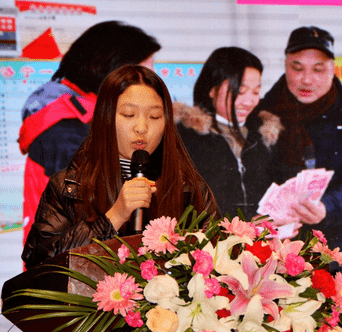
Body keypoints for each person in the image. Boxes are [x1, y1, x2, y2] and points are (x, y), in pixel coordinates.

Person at [22, 65, 218, 271]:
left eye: (154, 117)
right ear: (105, 118)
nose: (141, 127)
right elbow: (40, 264)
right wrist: (113, 217)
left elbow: (216, 262)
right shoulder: (68, 186)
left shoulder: (189, 188)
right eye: (128, 114)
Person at [257, 26, 342, 278]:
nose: (306, 80)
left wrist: (328, 207)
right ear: (285, 66)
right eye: (297, 68)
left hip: (334, 250)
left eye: (318, 69)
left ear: (332, 69)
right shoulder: (261, 116)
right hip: (272, 251)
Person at [18, 21, 161, 245]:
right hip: (71, 269)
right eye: (143, 68)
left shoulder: (87, 116)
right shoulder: (67, 133)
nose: (153, 76)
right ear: (108, 68)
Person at [175, 47, 283, 220]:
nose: (249, 101)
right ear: (212, 89)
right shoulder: (186, 137)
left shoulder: (265, 136)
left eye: (256, 92)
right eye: (240, 91)